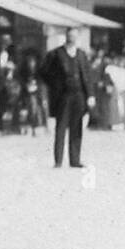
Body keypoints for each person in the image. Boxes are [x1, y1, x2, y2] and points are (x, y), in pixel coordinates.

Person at [40, 28, 96, 167]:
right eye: (70, 35)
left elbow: (88, 76)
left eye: (74, 36)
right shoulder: (56, 54)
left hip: (79, 96)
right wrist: (55, 86)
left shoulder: (81, 54)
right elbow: (44, 72)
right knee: (61, 128)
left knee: (77, 128)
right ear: (66, 36)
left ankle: (75, 160)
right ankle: (58, 161)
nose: (72, 38)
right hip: (63, 96)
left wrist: (90, 95)